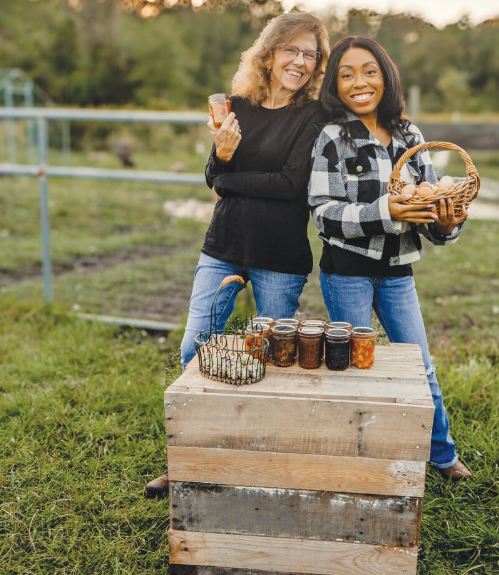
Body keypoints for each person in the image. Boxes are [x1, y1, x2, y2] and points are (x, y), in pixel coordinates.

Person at [145, 12, 330, 498]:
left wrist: (228, 178)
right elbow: (213, 174)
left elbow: (291, 185)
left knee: (271, 361)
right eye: (291, 49)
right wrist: (221, 161)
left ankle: (261, 465)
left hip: (279, 254)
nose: (300, 60)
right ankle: (191, 459)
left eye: (310, 54)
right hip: (224, 247)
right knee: (195, 349)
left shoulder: (311, 116)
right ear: (269, 53)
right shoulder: (238, 106)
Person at [308, 36, 472, 480]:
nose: (358, 82)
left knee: (421, 366)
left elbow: (432, 202)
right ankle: (358, 459)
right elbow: (323, 212)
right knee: (354, 368)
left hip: (398, 272)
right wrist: (386, 210)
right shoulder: (332, 138)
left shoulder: (409, 134)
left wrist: (444, 220)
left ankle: (442, 454)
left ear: (386, 77)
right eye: (346, 74)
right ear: (335, 86)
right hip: (346, 271)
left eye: (369, 71)